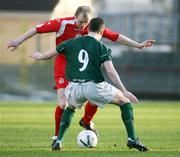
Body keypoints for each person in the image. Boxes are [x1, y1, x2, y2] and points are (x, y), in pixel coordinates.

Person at [7, 6, 155, 146]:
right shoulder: (61, 23)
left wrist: (138, 45)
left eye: (85, 23)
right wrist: (18, 41)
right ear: (74, 17)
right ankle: (57, 137)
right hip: (63, 63)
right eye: (80, 23)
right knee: (63, 102)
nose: (82, 26)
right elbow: (37, 29)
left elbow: (116, 36)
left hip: (80, 67)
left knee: (94, 95)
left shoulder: (91, 27)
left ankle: (85, 121)